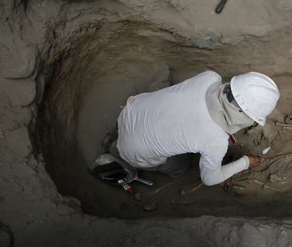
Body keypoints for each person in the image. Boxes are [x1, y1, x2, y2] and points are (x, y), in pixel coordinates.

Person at [111, 70, 279, 186]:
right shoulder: (215, 142)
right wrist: (245, 162)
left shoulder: (210, 78)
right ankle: (122, 156)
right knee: (182, 164)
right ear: (245, 116)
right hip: (135, 153)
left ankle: (115, 139)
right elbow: (210, 179)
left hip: (130, 113)